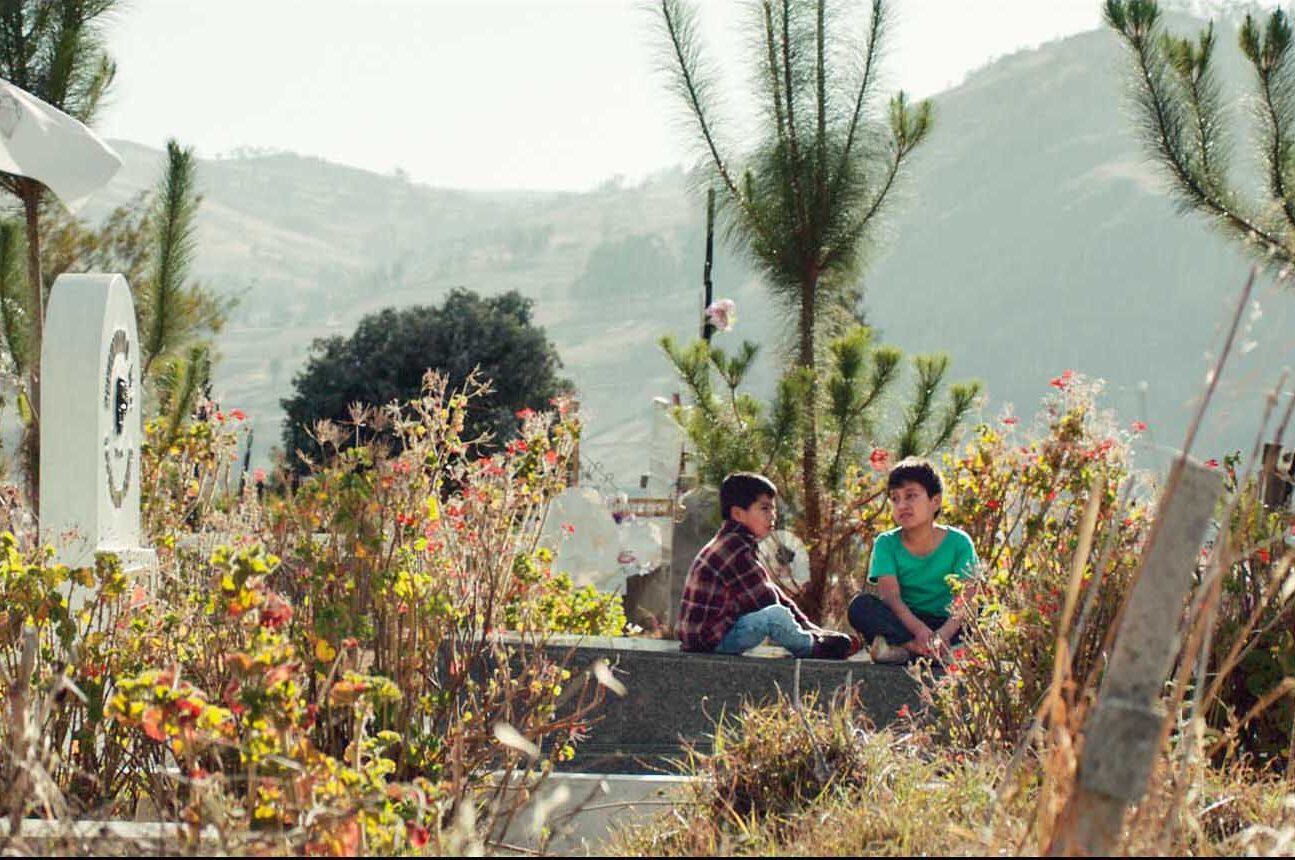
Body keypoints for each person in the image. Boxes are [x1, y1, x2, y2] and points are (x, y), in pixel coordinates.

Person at [678, 472, 854, 659]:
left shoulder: (736, 542)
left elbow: (774, 594)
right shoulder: (733, 549)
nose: (773, 516)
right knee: (774, 616)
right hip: (710, 641)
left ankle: (816, 641)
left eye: (773, 510)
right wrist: (814, 635)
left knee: (777, 612)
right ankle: (811, 648)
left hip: (707, 638)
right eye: (765, 509)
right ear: (738, 513)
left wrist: (815, 629)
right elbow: (767, 601)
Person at [849, 457, 978, 664]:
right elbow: (890, 596)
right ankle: (916, 648)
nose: (902, 505)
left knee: (984, 613)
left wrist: (942, 635)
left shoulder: (959, 542)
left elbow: (966, 596)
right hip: (905, 622)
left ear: (935, 501)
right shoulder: (886, 543)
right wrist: (919, 632)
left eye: (911, 496)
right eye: (895, 498)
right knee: (860, 607)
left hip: (949, 624)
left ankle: (906, 652)